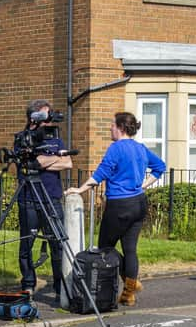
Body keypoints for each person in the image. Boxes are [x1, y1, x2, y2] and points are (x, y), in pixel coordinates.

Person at [65, 112, 166, 306]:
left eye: (112, 125)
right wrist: (144, 185)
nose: (109, 128)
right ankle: (128, 293)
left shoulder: (116, 148)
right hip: (139, 203)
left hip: (120, 205)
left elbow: (100, 174)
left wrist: (79, 189)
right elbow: (160, 167)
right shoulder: (140, 148)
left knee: (105, 247)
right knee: (130, 249)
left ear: (120, 127)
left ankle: (131, 282)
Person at [16, 99, 72, 297]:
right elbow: (33, 162)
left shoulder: (56, 139)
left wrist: (45, 162)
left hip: (52, 198)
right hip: (29, 198)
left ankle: (59, 287)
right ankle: (28, 284)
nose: (49, 120)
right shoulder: (22, 138)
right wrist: (53, 159)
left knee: (57, 243)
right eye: (46, 116)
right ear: (35, 117)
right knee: (27, 244)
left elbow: (67, 163)